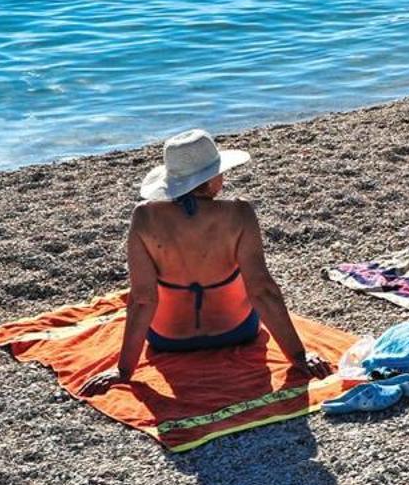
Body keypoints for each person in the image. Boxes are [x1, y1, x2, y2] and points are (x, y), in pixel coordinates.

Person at [80, 130, 332, 395]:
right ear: (213, 179)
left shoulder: (145, 217)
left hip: (168, 340)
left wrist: (124, 371)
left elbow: (143, 299)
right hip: (237, 331)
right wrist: (298, 356)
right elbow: (262, 290)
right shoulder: (239, 213)